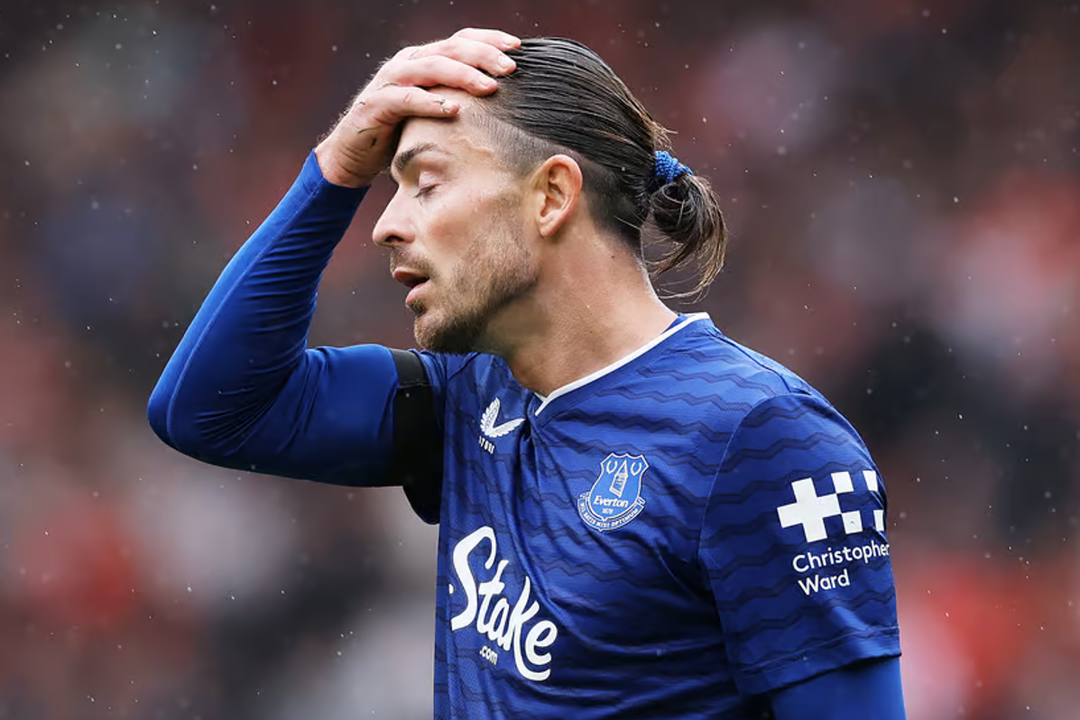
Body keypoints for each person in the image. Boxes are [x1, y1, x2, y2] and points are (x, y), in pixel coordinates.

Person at [148, 28, 906, 720]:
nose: (386, 224)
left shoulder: (763, 437)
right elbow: (207, 410)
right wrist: (335, 171)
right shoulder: (468, 398)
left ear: (551, 197)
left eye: (427, 183)